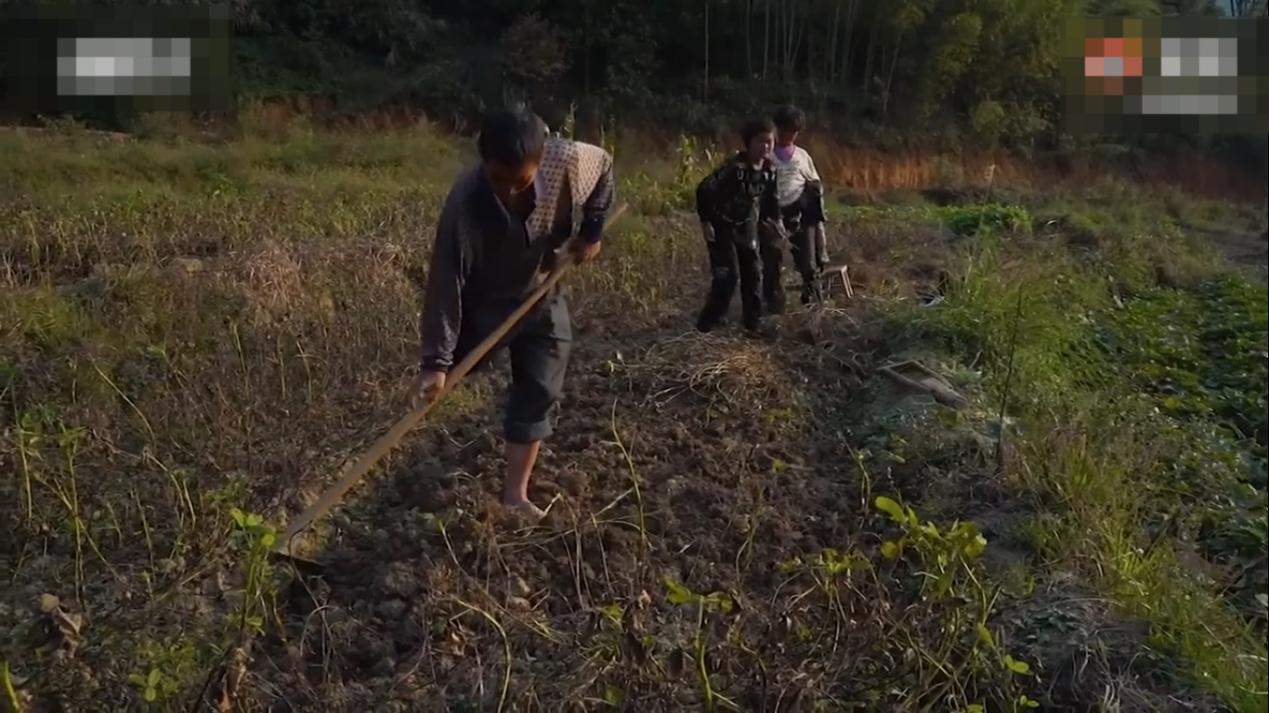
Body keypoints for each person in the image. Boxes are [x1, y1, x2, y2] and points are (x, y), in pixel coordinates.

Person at [413, 108, 615, 520]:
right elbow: (446, 281)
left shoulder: (566, 161)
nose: (506, 191)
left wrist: (591, 233)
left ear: (541, 161)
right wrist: (435, 362)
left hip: (542, 290)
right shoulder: (466, 202)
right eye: (497, 180)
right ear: (483, 162)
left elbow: (605, 169)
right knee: (443, 379)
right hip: (487, 300)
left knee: (540, 388)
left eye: (518, 182)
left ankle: (515, 495)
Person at [694, 116, 784, 334]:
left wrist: (776, 222)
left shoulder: (770, 170)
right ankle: (706, 325)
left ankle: (753, 325)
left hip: (746, 224)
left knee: (753, 273)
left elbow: (771, 200)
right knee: (728, 276)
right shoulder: (734, 168)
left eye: (770, 142)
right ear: (749, 142)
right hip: (721, 225)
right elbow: (704, 190)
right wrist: (706, 222)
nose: (766, 147)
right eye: (760, 141)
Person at [765, 104, 830, 307]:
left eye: (793, 132)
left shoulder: (801, 157)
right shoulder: (766, 154)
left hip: (800, 215)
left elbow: (815, 183)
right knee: (770, 263)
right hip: (772, 215)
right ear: (775, 128)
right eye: (784, 131)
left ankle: (814, 303)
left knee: (808, 263)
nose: (787, 136)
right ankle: (773, 305)